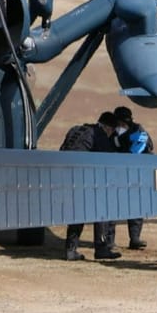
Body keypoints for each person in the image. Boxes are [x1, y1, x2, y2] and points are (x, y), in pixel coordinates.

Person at [60, 111, 123, 261]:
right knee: (101, 209)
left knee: (77, 213)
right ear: (108, 128)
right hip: (84, 178)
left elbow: (62, 150)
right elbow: (106, 160)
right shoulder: (98, 134)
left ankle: (71, 250)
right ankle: (101, 248)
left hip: (66, 175)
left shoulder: (75, 130)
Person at [112, 105, 152, 250]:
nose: (121, 126)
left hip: (136, 173)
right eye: (119, 123)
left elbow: (142, 149)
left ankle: (135, 239)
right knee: (112, 207)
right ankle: (109, 241)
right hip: (115, 173)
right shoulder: (111, 131)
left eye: (124, 123)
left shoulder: (138, 131)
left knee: (136, 206)